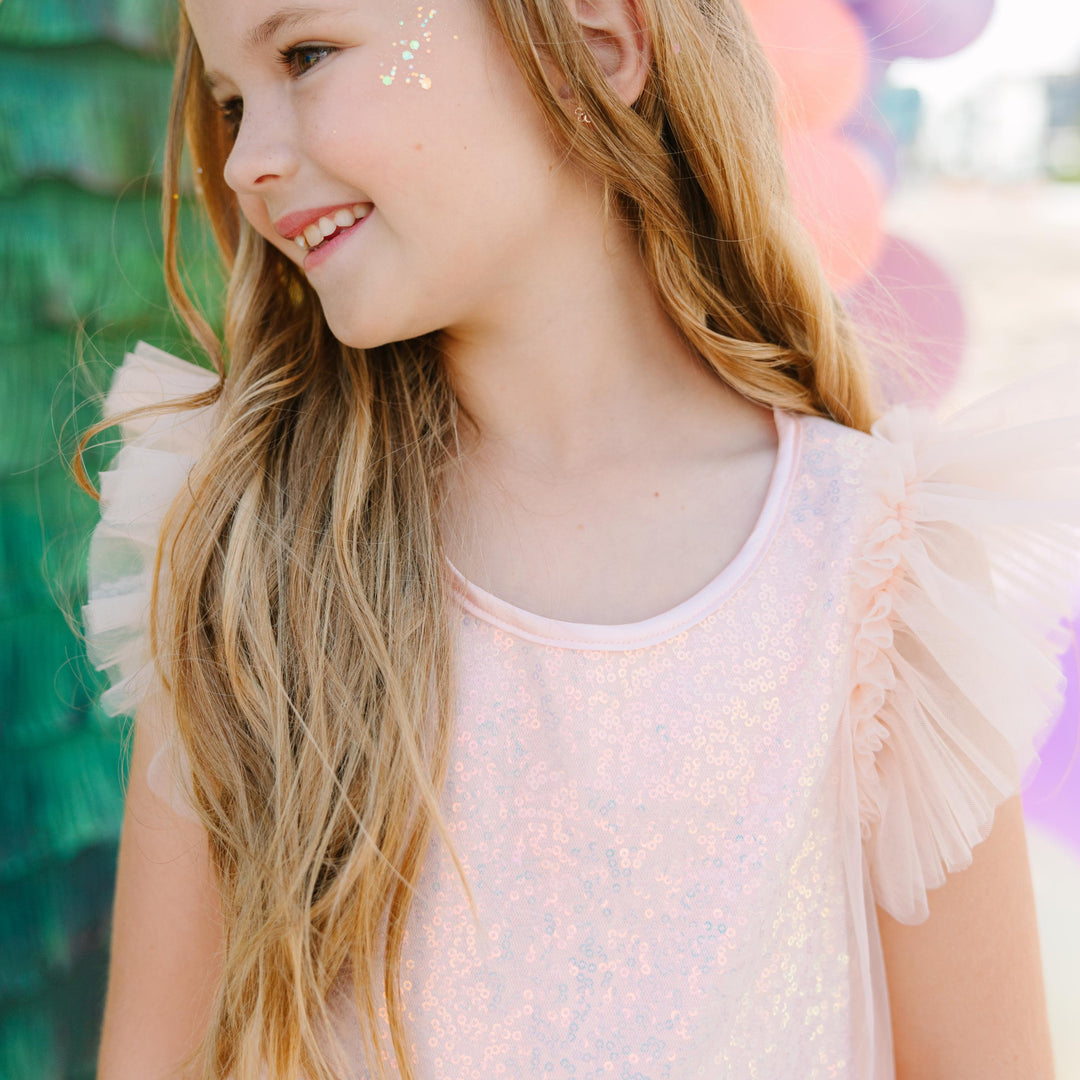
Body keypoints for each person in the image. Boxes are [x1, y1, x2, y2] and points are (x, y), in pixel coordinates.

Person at [78, 0, 1080, 1077]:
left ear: (596, 43)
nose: (242, 164)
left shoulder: (880, 565)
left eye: (307, 55)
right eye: (230, 103)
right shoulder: (248, 543)